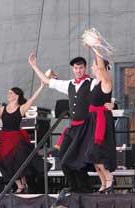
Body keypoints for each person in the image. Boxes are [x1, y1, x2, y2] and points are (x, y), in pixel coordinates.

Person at [29, 54, 93, 193]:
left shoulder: (91, 83)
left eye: (81, 68)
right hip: (73, 127)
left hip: (85, 128)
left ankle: (84, 189)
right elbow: (47, 81)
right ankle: (75, 187)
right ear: (73, 69)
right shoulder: (69, 84)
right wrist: (34, 66)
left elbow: (104, 89)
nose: (78, 70)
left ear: (85, 68)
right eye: (76, 68)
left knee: (78, 160)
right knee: (63, 157)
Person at [0, 81, 45, 193]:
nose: (8, 94)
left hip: (15, 138)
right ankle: (21, 185)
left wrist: (41, 86)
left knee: (17, 161)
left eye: (11, 93)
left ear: (16, 96)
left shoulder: (21, 108)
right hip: (4, 139)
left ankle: (21, 186)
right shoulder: (3, 109)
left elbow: (32, 99)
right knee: (5, 162)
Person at [79, 44, 117, 193]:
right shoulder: (94, 83)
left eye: (94, 64)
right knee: (91, 155)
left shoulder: (106, 82)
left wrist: (95, 47)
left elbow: (102, 68)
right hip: (93, 121)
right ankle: (103, 183)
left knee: (96, 153)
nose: (93, 66)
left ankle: (109, 179)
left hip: (101, 121)